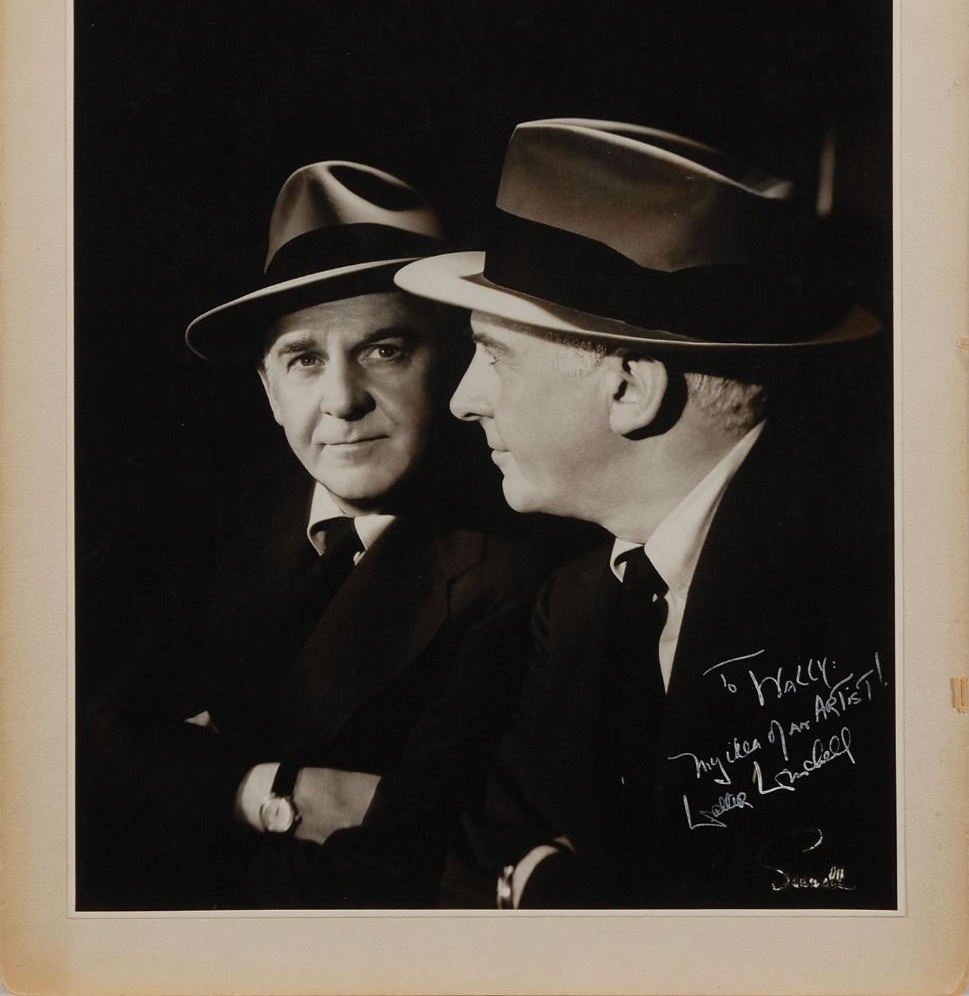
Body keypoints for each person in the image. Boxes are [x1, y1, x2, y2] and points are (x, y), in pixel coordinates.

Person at [396, 118, 896, 909]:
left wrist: (559, 888)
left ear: (631, 387)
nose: (462, 400)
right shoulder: (577, 604)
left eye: (493, 354)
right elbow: (477, 870)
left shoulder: (869, 590)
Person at [77, 159, 592, 910]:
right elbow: (82, 754)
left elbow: (399, 875)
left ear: (452, 364)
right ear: (268, 390)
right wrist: (273, 792)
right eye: (304, 360)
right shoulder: (224, 521)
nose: (342, 400)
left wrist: (184, 789)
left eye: (385, 350)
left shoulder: (523, 568)